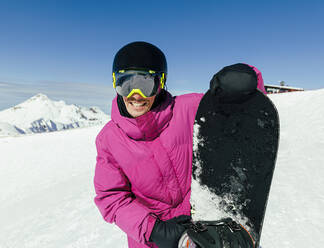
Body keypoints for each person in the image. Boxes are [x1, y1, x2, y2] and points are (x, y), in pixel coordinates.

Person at [93, 41, 266, 248]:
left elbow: (235, 111)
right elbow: (112, 197)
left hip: (205, 232)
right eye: (126, 84)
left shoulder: (190, 109)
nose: (135, 95)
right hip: (153, 241)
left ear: (160, 83)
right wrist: (155, 230)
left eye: (145, 84)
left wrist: (244, 80)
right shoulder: (109, 139)